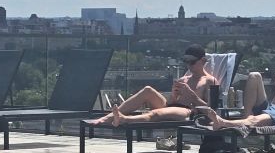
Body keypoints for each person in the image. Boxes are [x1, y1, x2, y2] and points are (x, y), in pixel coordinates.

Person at [90, 45, 218, 126]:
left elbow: (212, 111)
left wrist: (193, 97)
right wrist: (174, 96)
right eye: (186, 62)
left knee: (156, 114)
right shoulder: (184, 78)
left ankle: (124, 119)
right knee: (147, 90)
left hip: (189, 110)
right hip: (172, 106)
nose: (188, 66)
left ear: (203, 61)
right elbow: (172, 102)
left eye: (192, 62)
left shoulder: (209, 81)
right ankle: (107, 118)